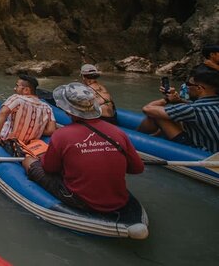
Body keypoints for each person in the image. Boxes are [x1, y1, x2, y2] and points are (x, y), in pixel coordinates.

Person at [22, 83, 144, 213]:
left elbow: (50, 168)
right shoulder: (118, 132)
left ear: (67, 110)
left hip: (81, 200)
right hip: (118, 200)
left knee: (29, 162)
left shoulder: (61, 135)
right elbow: (137, 168)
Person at [139, 68, 219, 152]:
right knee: (175, 116)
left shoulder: (193, 109)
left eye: (188, 84)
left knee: (157, 116)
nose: (186, 87)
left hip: (203, 153)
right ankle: (155, 137)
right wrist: (178, 100)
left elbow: (147, 109)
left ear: (199, 88)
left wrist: (167, 100)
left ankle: (136, 139)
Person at [0, 74, 55, 145]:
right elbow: (51, 130)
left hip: (9, 141)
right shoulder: (47, 108)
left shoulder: (17, 98)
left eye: (17, 86)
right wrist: (35, 127)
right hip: (28, 144)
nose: (14, 88)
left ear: (26, 90)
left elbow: (3, 113)